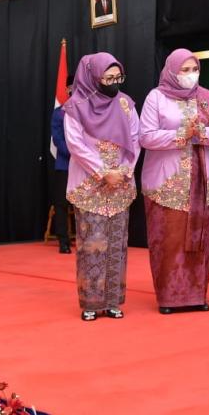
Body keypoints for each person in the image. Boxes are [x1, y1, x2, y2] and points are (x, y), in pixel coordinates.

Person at [140, 49, 209, 314]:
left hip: (202, 182)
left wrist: (200, 133)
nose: (191, 75)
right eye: (185, 70)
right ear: (171, 70)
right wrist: (180, 134)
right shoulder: (156, 97)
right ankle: (169, 298)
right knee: (169, 240)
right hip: (166, 182)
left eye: (194, 69)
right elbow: (146, 136)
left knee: (200, 238)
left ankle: (197, 296)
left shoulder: (208, 98)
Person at [64, 53, 140, 322]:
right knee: (92, 245)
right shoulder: (75, 107)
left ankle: (113, 301)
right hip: (90, 186)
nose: (114, 82)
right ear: (94, 77)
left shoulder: (125, 103)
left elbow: (135, 139)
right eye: (108, 78)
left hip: (120, 184)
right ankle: (91, 303)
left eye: (117, 77)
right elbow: (75, 145)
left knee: (118, 245)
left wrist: (124, 171)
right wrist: (102, 173)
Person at [50, 75, 74, 254]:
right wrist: (74, 153)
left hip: (85, 166)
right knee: (61, 204)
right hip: (65, 165)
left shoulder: (89, 111)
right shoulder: (59, 113)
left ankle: (85, 238)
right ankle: (63, 241)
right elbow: (57, 138)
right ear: (67, 89)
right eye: (73, 87)